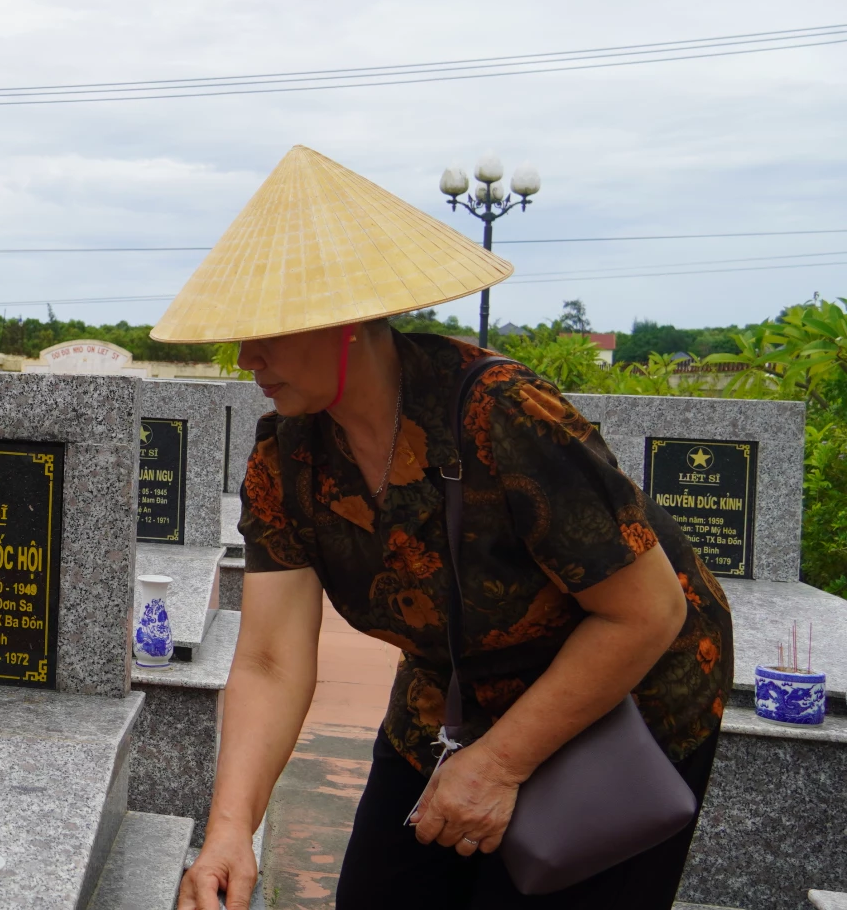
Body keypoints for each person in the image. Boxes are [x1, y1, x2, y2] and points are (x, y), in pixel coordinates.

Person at [163, 147, 732, 910]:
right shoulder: (284, 458)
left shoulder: (499, 414)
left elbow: (648, 610)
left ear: (351, 322)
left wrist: (499, 765)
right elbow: (269, 658)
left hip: (623, 695)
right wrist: (230, 830)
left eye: (268, 329)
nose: (246, 356)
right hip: (451, 703)